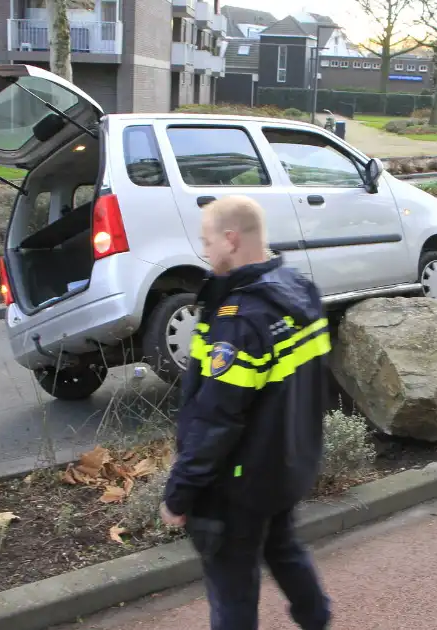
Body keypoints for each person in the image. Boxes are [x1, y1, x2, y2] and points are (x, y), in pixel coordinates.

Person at [160, 195, 333, 630]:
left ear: (231, 239)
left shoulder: (239, 318)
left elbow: (216, 417)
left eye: (207, 241)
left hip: (235, 485)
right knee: (284, 548)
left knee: (232, 593)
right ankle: (318, 620)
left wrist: (180, 492)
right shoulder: (297, 289)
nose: (204, 251)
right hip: (285, 464)